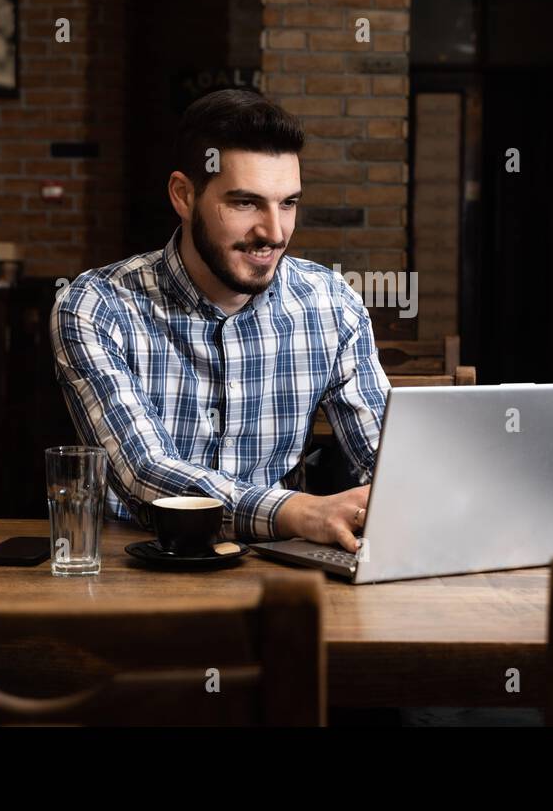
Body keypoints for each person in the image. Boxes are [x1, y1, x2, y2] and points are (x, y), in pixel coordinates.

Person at [51, 89, 389, 552]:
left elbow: (387, 460)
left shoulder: (331, 305)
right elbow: (142, 471)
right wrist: (301, 511)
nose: (273, 232)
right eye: (246, 203)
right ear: (184, 195)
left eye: (288, 203)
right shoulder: (97, 307)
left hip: (277, 574)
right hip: (135, 572)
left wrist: (400, 495)